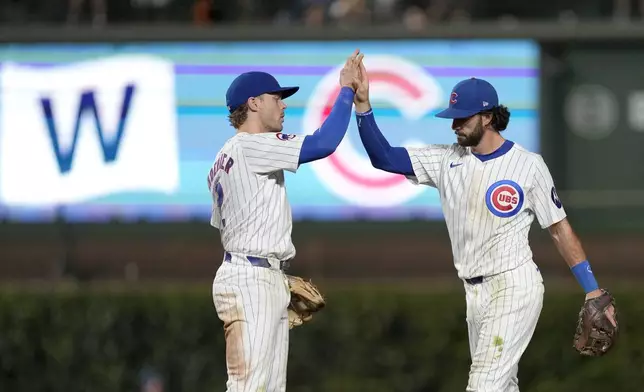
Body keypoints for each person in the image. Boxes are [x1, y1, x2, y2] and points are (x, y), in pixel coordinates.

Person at [352, 60, 617, 391]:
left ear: (488, 117)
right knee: (502, 386)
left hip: (514, 285)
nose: (455, 126)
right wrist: (362, 105)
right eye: (453, 118)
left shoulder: (527, 165)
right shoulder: (445, 160)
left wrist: (591, 287)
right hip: (474, 293)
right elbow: (384, 157)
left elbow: (559, 228)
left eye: (463, 118)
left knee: (483, 385)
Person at [207, 50, 363, 392]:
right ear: (253, 103)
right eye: (276, 98)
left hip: (253, 273)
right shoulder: (252, 146)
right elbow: (324, 142)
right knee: (250, 387)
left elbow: (231, 228)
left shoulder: (221, 160)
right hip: (251, 280)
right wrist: (347, 90)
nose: (283, 105)